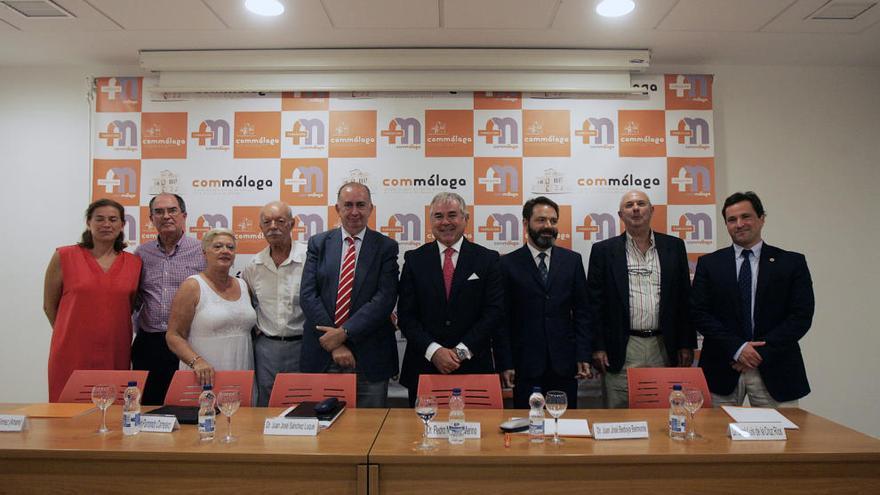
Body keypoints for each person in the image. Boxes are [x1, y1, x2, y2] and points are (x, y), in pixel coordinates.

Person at [691, 191, 814, 407]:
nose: (739, 224)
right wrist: (738, 349)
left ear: (761, 218)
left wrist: (757, 353)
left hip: (775, 367)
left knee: (782, 439)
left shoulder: (791, 263)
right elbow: (699, 313)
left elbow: (800, 316)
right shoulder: (709, 264)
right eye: (732, 220)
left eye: (745, 217)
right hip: (722, 367)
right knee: (715, 439)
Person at [587, 189, 695, 408]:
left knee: (664, 410)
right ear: (620, 215)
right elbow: (594, 304)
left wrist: (686, 343)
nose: (635, 209)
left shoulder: (674, 247)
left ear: (652, 210)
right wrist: (597, 346)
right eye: (629, 205)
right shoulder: (603, 251)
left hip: (663, 345)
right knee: (618, 413)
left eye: (641, 203)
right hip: (623, 346)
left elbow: (684, 299)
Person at [397, 192, 504, 406]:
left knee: (478, 436)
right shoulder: (414, 259)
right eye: (438, 216)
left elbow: (494, 313)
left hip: (473, 367)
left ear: (466, 218)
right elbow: (406, 316)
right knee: (422, 436)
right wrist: (434, 352)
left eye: (452, 215)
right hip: (424, 367)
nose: (445, 222)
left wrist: (460, 353)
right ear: (430, 221)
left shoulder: (487, 259)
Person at [300, 182, 400, 407]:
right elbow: (308, 295)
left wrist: (344, 333)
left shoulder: (386, 247)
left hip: (370, 357)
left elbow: (384, 299)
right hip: (322, 353)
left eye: (361, 205)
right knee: (321, 432)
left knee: (370, 430)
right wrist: (335, 343)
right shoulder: (318, 243)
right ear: (337, 209)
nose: (354, 212)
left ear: (371, 209)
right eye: (348, 205)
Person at [43, 198, 142, 402]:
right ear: (88, 222)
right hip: (72, 350)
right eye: (100, 219)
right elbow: (49, 305)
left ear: (122, 224)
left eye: (113, 219)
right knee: (66, 414)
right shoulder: (64, 256)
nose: (106, 224)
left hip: (115, 349)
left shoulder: (134, 263)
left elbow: (128, 307)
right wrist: (69, 332)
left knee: (112, 414)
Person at [497, 197, 591, 409]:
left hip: (565, 364)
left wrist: (583, 354)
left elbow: (583, 312)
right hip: (524, 365)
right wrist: (506, 362)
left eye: (553, 221)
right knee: (527, 429)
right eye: (541, 220)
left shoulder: (572, 261)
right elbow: (502, 320)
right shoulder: (506, 264)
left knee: (566, 427)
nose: (548, 226)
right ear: (525, 223)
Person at [133, 193, 205, 405]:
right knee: (147, 406)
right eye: (159, 212)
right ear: (151, 218)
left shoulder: (202, 251)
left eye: (172, 210)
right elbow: (135, 297)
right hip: (150, 343)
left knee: (188, 406)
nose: (166, 216)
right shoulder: (141, 253)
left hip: (188, 342)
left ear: (184, 215)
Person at [166, 228, 256, 386]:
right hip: (203, 375)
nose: (225, 251)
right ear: (204, 253)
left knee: (240, 410)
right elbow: (174, 336)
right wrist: (197, 362)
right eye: (217, 246)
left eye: (230, 247)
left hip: (242, 370)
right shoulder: (192, 286)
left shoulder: (243, 285)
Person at [242, 201, 308, 406]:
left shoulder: (310, 258)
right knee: (266, 404)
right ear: (260, 227)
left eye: (280, 221)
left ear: (292, 224)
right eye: (267, 222)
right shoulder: (254, 266)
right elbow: (248, 304)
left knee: (303, 402)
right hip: (267, 349)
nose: (273, 226)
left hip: (304, 345)